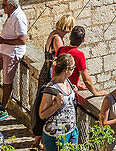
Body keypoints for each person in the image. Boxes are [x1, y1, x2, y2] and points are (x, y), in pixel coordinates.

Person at [32, 13, 74, 147]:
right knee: (46, 106)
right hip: (50, 73)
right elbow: (62, 61)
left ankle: (37, 141)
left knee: (43, 103)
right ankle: (39, 140)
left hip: (46, 70)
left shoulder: (53, 34)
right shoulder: (58, 39)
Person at [0, 0, 27, 122]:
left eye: (4, 5)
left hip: (12, 53)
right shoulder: (11, 15)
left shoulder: (19, 18)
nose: (2, 7)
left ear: (11, 6)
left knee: (7, 82)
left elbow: (22, 40)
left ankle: (3, 109)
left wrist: (3, 40)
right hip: (4, 50)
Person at [39, 54, 78, 151]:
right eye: (73, 68)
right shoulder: (51, 89)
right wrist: (56, 105)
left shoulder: (67, 81)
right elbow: (42, 114)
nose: (74, 70)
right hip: (56, 135)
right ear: (66, 70)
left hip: (72, 130)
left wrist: (73, 91)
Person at [57, 25, 102, 97]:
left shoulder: (60, 49)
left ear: (69, 37)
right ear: (83, 40)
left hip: (56, 88)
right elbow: (86, 79)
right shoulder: (79, 55)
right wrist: (96, 93)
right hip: (67, 93)